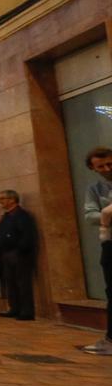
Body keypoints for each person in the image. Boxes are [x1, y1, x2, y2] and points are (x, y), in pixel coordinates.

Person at [78, 147, 112, 354]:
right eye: (101, 166)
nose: (107, 169)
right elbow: (90, 216)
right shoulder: (95, 189)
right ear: (93, 168)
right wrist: (106, 215)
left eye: (110, 164)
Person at [0, 189, 37, 321]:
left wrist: (19, 249)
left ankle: (26, 311)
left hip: (19, 254)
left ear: (12, 200)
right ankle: (14, 308)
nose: (0, 202)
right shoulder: (6, 216)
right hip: (7, 253)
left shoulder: (22, 215)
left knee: (22, 282)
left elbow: (27, 235)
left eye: (3, 199)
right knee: (11, 282)